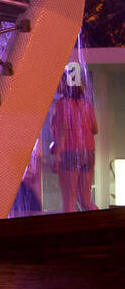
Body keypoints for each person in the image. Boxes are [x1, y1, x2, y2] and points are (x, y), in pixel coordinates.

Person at [51, 77, 98, 212]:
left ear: (66, 85)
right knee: (86, 200)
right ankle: (103, 226)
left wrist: (57, 157)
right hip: (88, 152)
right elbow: (95, 129)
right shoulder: (87, 104)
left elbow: (62, 131)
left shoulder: (62, 104)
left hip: (69, 152)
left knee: (69, 201)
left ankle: (69, 232)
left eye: (59, 82)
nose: (56, 85)